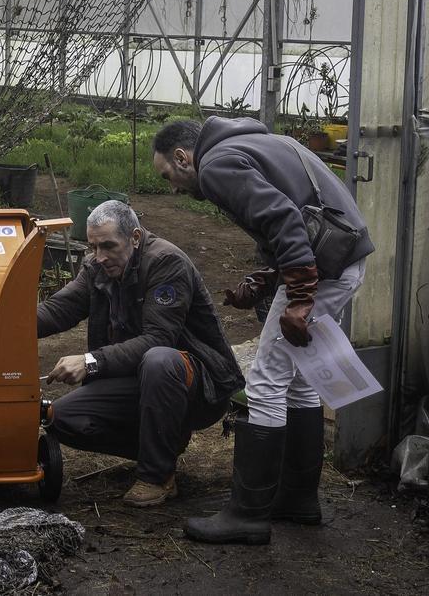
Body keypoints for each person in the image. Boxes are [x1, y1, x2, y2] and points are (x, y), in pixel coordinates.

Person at [151, 117, 374, 544]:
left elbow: (284, 219)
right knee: (299, 380)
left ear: (183, 157)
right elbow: (296, 210)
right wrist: (266, 277)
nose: (174, 188)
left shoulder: (216, 164)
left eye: (169, 177)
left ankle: (248, 514)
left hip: (322, 270)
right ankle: (297, 499)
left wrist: (302, 295)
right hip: (342, 257)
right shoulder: (257, 140)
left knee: (265, 380)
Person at [0, 200, 243, 507]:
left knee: (159, 359)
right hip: (139, 379)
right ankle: (162, 445)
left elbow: (159, 339)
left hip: (197, 384)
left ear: (134, 237)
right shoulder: (97, 266)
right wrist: (10, 325)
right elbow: (61, 308)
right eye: (93, 246)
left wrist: (91, 362)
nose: (99, 256)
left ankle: (157, 475)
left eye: (107, 246)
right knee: (61, 417)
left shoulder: (166, 262)